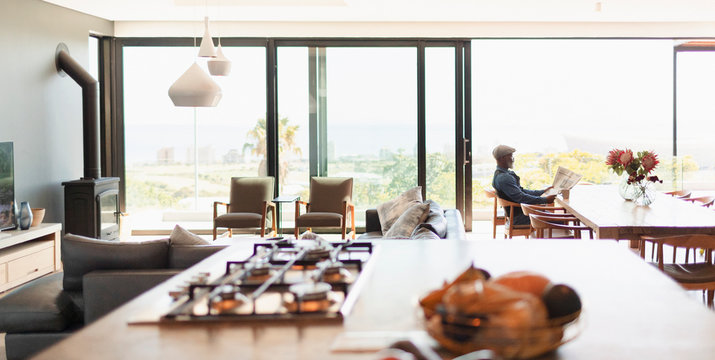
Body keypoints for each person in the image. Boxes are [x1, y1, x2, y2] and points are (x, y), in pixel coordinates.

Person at [492, 145, 555, 225]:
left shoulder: (501, 174)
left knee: (553, 216)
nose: (513, 159)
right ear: (502, 158)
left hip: (520, 214)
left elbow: (521, 191)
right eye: (510, 156)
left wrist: (542, 192)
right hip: (519, 217)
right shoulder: (504, 178)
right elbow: (521, 197)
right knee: (559, 221)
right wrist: (545, 200)